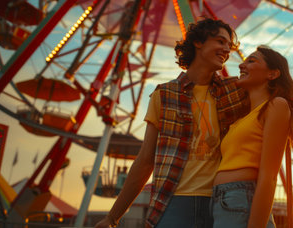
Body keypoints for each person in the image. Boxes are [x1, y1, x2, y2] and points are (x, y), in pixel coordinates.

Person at [95, 17, 248, 228]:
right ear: (198, 42)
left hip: (224, 200)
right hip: (175, 200)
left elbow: (272, 94)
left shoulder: (236, 91)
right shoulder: (164, 95)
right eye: (220, 42)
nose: (226, 50)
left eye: (229, 46)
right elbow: (146, 159)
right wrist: (113, 217)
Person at [211, 46, 293, 228]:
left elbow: (268, 176)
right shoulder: (243, 118)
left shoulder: (276, 105)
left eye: (251, 61)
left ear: (273, 74)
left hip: (240, 198)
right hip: (222, 200)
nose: (241, 65)